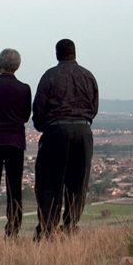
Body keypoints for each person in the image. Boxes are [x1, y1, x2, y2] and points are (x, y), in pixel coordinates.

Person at [32, 39, 99, 239]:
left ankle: (47, 229)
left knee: (50, 183)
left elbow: (38, 111)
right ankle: (70, 227)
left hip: (55, 133)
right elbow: (93, 109)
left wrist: (47, 128)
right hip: (83, 132)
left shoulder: (49, 76)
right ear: (74, 53)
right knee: (78, 183)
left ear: (57, 54)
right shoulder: (88, 76)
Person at [0, 48, 32, 237]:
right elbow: (26, 116)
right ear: (17, 66)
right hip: (15, 143)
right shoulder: (24, 89)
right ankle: (13, 230)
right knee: (14, 188)